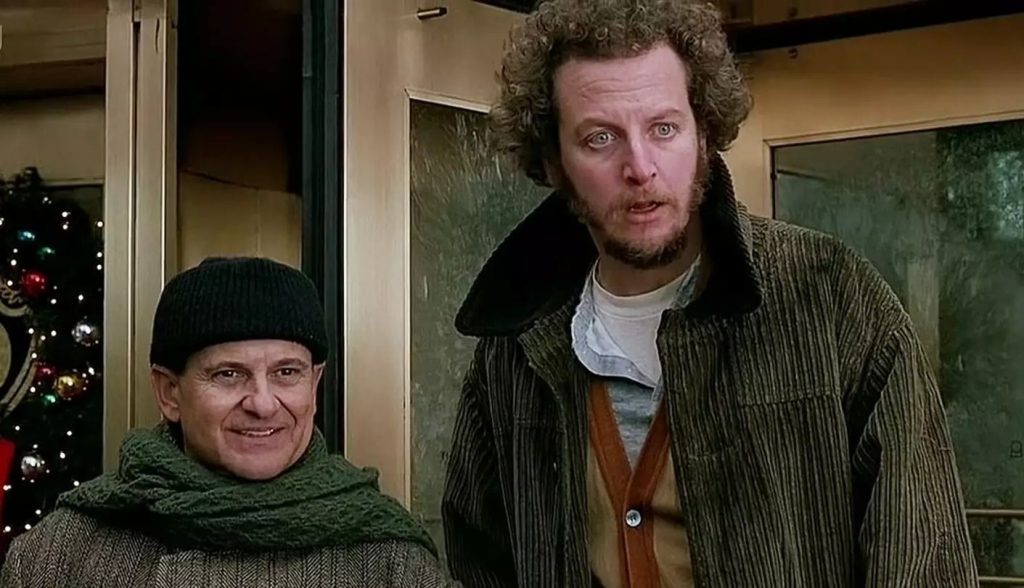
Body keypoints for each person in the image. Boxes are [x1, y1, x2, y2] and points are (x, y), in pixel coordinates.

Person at [441, 1, 978, 586]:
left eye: (663, 128)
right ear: (554, 162)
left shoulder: (830, 299)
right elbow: (480, 562)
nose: (640, 167)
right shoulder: (513, 345)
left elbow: (924, 558)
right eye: (600, 138)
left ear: (703, 133)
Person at [2, 257, 456, 587]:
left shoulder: (391, 562)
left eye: (286, 372)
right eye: (228, 374)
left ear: (314, 384)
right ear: (169, 392)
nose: (263, 403)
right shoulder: (60, 557)